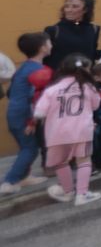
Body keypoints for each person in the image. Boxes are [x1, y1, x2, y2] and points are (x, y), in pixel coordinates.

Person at [29, 54, 101, 206]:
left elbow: (39, 113)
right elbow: (96, 105)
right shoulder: (88, 87)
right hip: (82, 130)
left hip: (56, 133)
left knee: (61, 163)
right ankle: (82, 194)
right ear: (86, 70)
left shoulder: (52, 89)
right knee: (84, 161)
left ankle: (68, 192)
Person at [1, 33, 53, 194]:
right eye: (49, 42)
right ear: (43, 48)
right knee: (30, 149)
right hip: (24, 115)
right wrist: (32, 121)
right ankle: (9, 182)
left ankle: (24, 177)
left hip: (15, 113)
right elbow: (38, 98)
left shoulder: (23, 67)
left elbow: (11, 92)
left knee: (27, 146)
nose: (51, 45)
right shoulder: (40, 71)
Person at [43, 0, 101, 71]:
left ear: (85, 9)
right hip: (60, 78)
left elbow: (91, 54)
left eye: (75, 7)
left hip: (85, 78)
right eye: (66, 6)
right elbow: (43, 56)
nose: (69, 10)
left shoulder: (94, 29)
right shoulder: (53, 30)